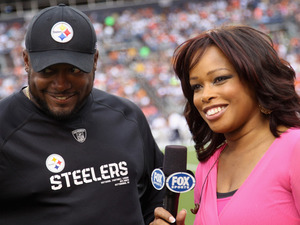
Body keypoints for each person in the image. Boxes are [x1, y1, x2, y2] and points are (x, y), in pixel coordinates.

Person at [0, 4, 164, 225]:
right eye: (48, 71)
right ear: (26, 61)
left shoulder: (127, 117)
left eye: (74, 70)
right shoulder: (4, 127)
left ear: (95, 61)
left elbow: (154, 199)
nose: (61, 84)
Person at [151, 25, 300, 224]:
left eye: (219, 79)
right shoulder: (207, 166)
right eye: (197, 86)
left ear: (256, 79)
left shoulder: (294, 149)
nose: (205, 95)